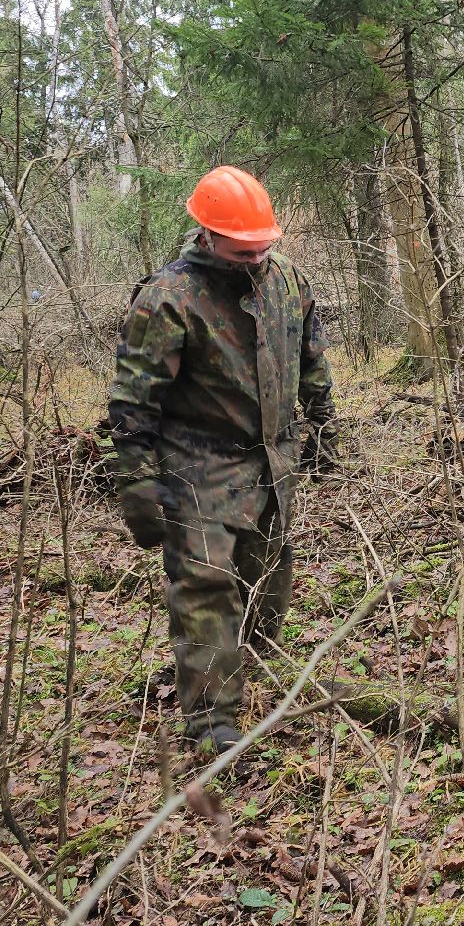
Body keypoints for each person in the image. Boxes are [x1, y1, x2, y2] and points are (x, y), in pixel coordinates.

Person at [107, 165, 338, 753]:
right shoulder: (168, 299)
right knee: (207, 588)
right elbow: (134, 399)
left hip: (273, 461)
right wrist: (136, 480)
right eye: (242, 250)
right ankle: (213, 723)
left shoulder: (287, 279)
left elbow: (310, 357)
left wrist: (324, 424)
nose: (256, 258)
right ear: (206, 235)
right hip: (198, 468)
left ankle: (252, 678)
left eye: (264, 246)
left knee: (269, 580)